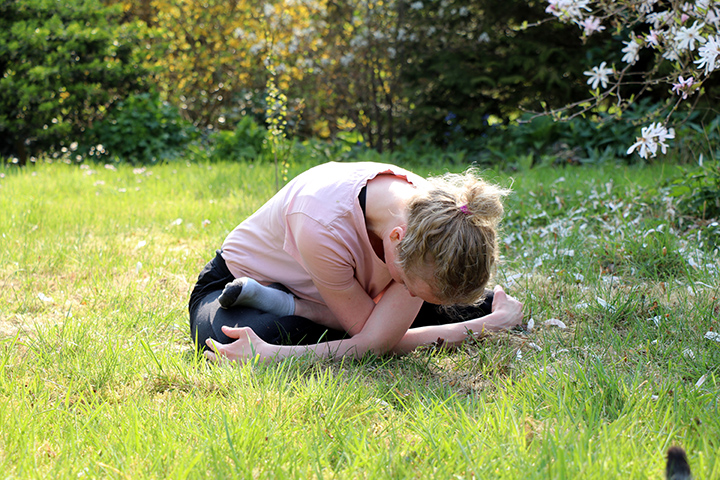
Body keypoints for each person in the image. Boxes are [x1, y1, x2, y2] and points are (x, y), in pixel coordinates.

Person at [189, 161, 523, 363]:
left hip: (348, 295)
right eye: (407, 286)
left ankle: (296, 307)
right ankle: (287, 305)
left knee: (453, 303)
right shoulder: (323, 223)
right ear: (397, 239)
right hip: (233, 285)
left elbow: (377, 340)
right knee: (235, 342)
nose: (410, 293)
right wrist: (491, 324)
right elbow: (375, 342)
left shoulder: (436, 217)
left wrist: (381, 330)